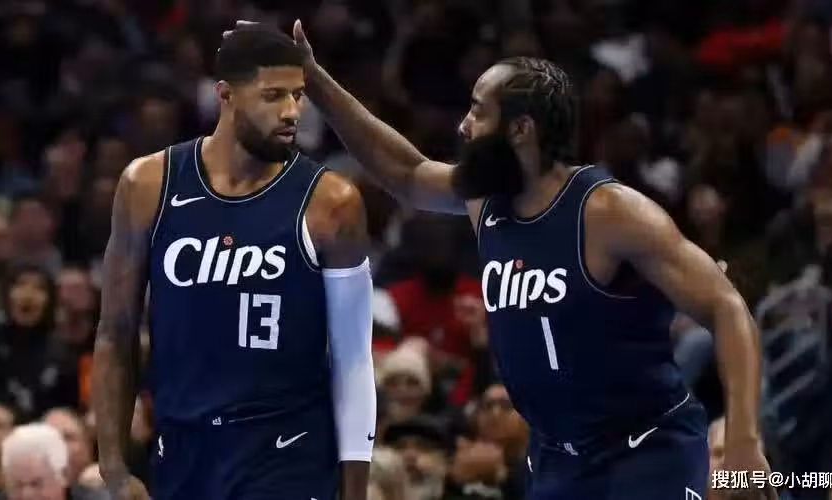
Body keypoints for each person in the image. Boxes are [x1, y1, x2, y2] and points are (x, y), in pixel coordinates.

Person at [229, 19, 777, 499]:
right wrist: (314, 81)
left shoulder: (609, 212)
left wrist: (745, 441)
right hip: (556, 458)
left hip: (644, 450)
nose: (463, 126)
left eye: (478, 111)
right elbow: (405, 172)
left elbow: (727, 307)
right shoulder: (484, 199)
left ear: (521, 130)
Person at [91, 25, 376, 500]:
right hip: (182, 448)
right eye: (273, 96)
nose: (291, 112)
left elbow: (353, 359)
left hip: (286, 451)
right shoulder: (147, 185)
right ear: (225, 95)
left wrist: (355, 490)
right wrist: (114, 468)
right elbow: (115, 332)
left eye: (298, 95)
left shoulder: (332, 203)